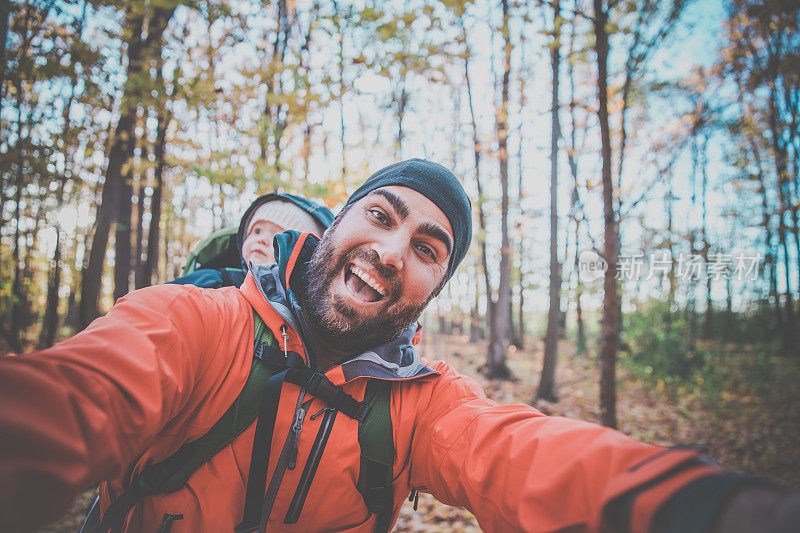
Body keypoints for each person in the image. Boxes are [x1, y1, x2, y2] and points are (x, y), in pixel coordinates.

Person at [0, 159, 796, 533]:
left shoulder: (419, 407)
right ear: (333, 227)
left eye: (427, 247)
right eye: (380, 216)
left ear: (433, 288)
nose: (391, 250)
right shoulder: (198, 325)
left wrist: (704, 507)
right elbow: (77, 395)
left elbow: (522, 456)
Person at [171, 192, 334, 288]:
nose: (262, 240)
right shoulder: (215, 279)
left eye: (277, 238)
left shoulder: (304, 312)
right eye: (257, 231)